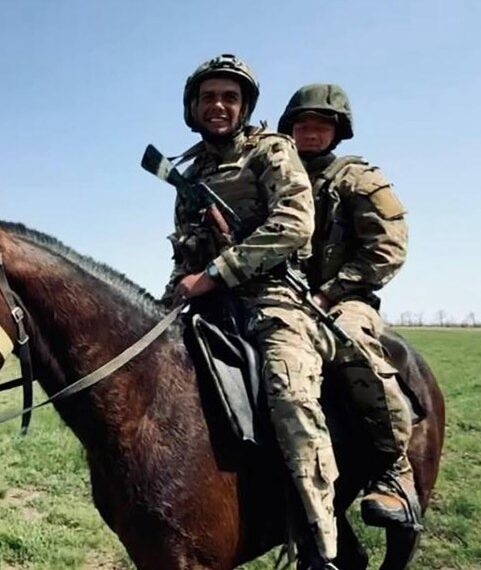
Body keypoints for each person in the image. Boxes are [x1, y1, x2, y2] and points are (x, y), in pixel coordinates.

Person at [164, 54, 339, 566]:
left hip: (272, 298)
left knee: (291, 392)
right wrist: (178, 285)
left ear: (244, 107)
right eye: (208, 97)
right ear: (192, 107)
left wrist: (217, 273)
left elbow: (294, 222)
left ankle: (318, 539)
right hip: (204, 299)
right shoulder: (191, 171)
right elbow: (186, 253)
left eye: (229, 97)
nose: (218, 105)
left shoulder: (271, 151)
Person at [277, 83, 421, 529]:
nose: (310, 134)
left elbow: (387, 248)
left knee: (350, 343)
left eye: (320, 126)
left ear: (337, 131)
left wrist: (331, 292)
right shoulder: (276, 179)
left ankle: (394, 469)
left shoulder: (359, 180)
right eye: (303, 126)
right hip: (282, 296)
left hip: (345, 299)